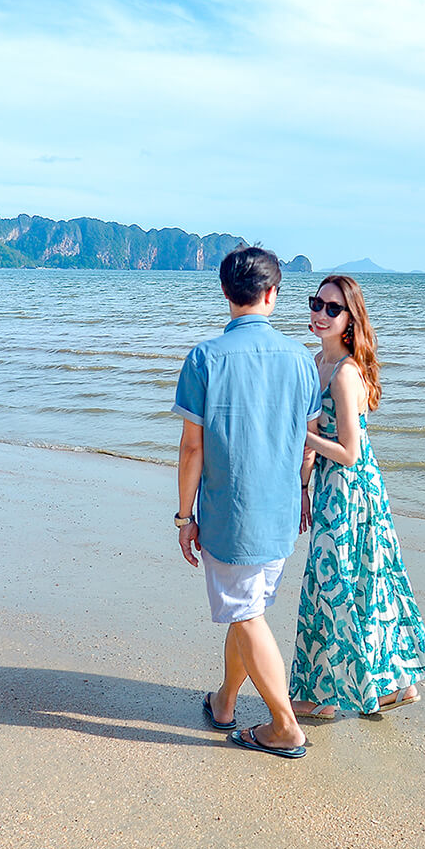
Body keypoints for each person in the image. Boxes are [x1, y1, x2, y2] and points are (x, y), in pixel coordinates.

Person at [172, 246, 323, 758]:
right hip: (280, 513)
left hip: (229, 514)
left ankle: (285, 726)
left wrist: (184, 516)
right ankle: (225, 702)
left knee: (246, 614)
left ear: (225, 292)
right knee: (248, 610)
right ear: (272, 294)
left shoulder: (205, 358)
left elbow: (192, 449)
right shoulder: (301, 359)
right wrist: (301, 491)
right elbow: (307, 444)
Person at [290, 275, 425, 718]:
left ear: (350, 320)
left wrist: (296, 435)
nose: (321, 313)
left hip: (352, 491)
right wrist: (302, 488)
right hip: (328, 486)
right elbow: (316, 439)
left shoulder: (345, 373)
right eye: (317, 303)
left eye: (332, 308)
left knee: (341, 584)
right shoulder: (316, 361)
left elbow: (350, 453)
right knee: (343, 583)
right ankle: (363, 690)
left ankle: (333, 694)